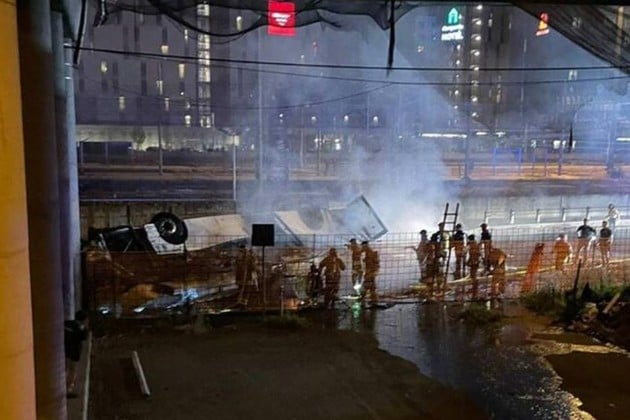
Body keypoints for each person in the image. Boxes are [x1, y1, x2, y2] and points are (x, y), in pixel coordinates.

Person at [65, 310, 89, 398]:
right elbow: (84, 336)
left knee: (65, 369)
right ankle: (67, 389)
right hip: (73, 353)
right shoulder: (80, 327)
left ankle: (62, 387)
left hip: (64, 350)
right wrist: (84, 327)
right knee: (71, 370)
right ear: (84, 320)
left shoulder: (67, 323)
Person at [466, 234, 481, 299]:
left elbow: (472, 254)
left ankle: (475, 288)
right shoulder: (475, 245)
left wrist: (469, 261)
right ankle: (474, 287)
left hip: (474, 262)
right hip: (475, 261)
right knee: (473, 275)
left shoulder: (473, 245)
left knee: (473, 275)